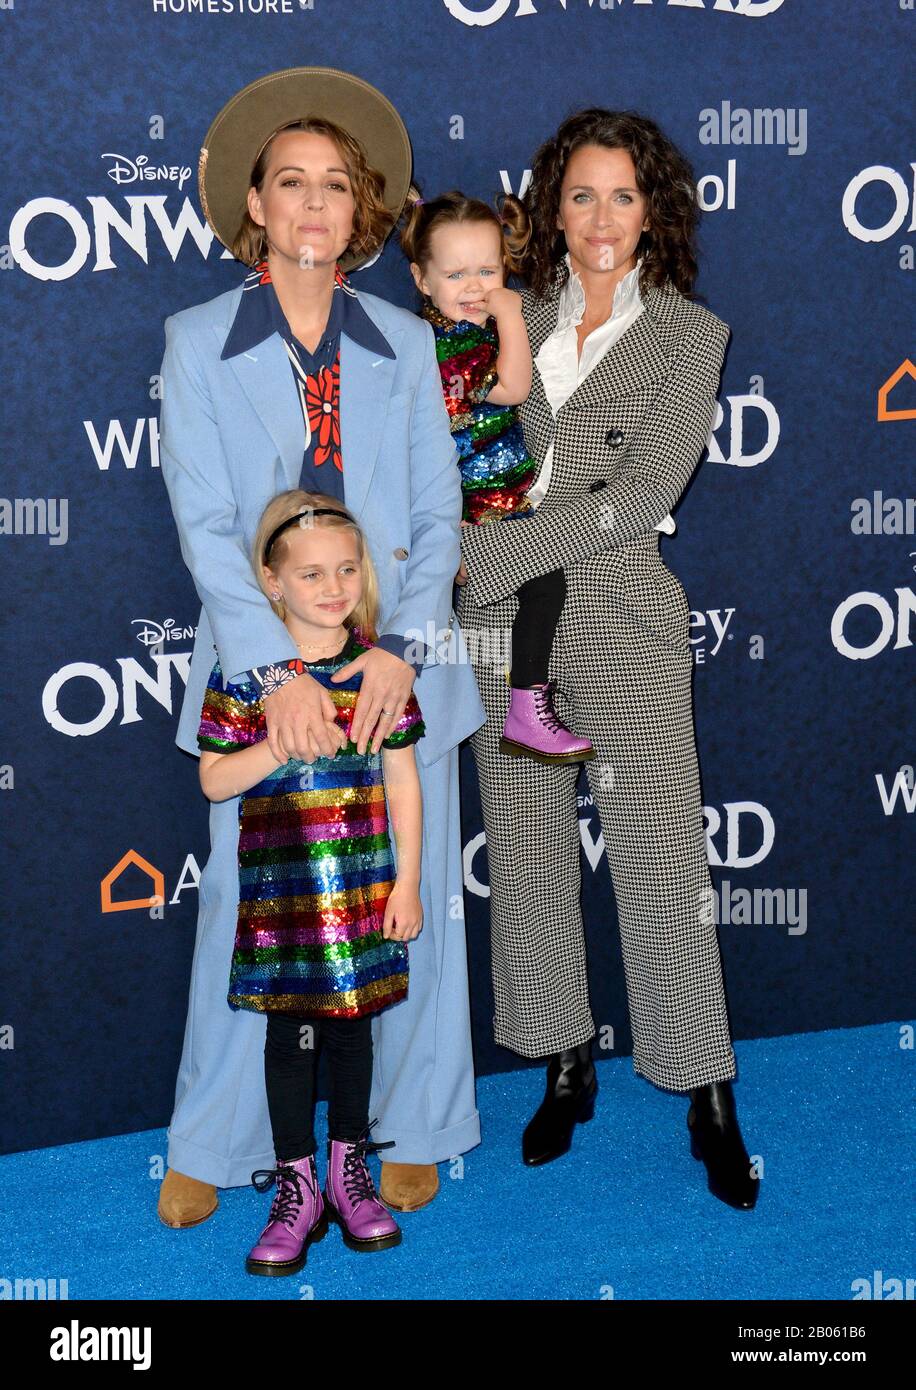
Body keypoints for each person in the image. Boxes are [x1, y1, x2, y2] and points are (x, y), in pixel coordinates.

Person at [157, 67, 485, 1230]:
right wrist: (280, 673)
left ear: (362, 212)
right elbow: (201, 522)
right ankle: (219, 1136)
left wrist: (398, 646)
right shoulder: (197, 341)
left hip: (399, 666)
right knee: (249, 915)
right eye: (289, 182)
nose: (310, 204)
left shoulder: (402, 336)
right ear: (254, 202)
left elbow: (442, 515)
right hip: (264, 677)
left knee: (411, 903)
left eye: (333, 186)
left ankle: (413, 1124)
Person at [456, 108, 759, 1210]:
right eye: (579, 194)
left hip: (619, 608)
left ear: (655, 212)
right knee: (528, 852)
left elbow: (640, 499)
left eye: (622, 196)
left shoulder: (692, 336)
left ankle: (704, 1088)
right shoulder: (503, 312)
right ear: (551, 205)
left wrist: (485, 549)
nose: (599, 218)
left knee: (663, 862)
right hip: (501, 620)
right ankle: (562, 1060)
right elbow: (462, 444)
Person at [197, 492, 424, 1274]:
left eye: (347, 570)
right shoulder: (247, 676)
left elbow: (403, 784)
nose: (332, 587)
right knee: (289, 1045)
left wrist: (410, 886)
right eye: (311, 573)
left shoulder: (378, 673)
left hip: (363, 899)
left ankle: (348, 1170)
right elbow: (214, 781)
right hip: (283, 909)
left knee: (355, 1037)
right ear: (271, 583)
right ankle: (297, 1186)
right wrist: (283, 743)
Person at [402, 188, 602, 765]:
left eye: (487, 271)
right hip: (478, 508)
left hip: (494, 499)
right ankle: (525, 705)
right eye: (456, 273)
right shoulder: (455, 344)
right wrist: (511, 314)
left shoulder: (445, 332)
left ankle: (524, 702)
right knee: (545, 587)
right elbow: (513, 388)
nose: (473, 287)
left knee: (541, 593)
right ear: (422, 280)